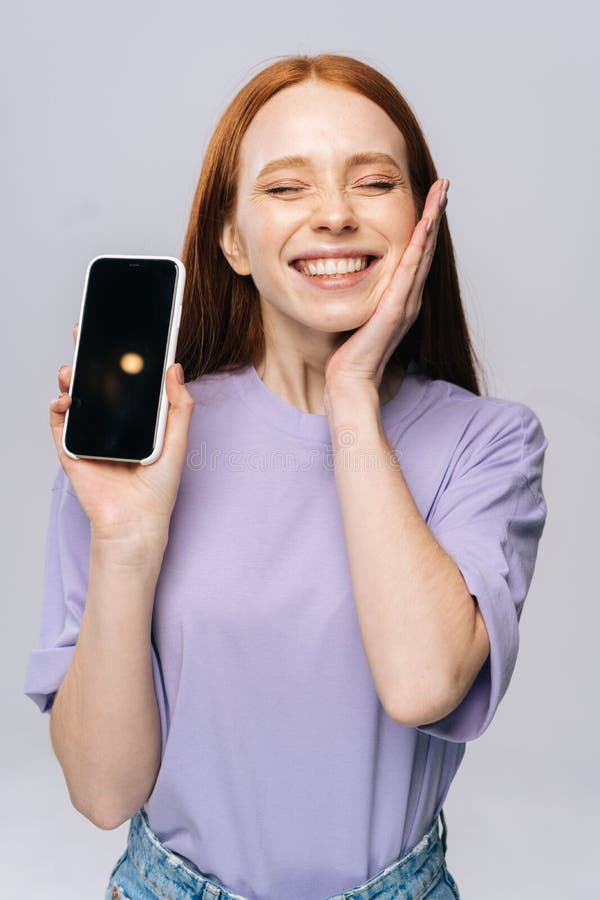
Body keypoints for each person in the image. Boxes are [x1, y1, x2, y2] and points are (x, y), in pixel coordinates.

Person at [23, 54, 549, 900]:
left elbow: (422, 684)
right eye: (286, 188)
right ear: (230, 238)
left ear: (421, 216)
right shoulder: (147, 440)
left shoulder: (488, 444)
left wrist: (349, 397)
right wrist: (126, 539)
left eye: (374, 182)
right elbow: (101, 792)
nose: (336, 215)